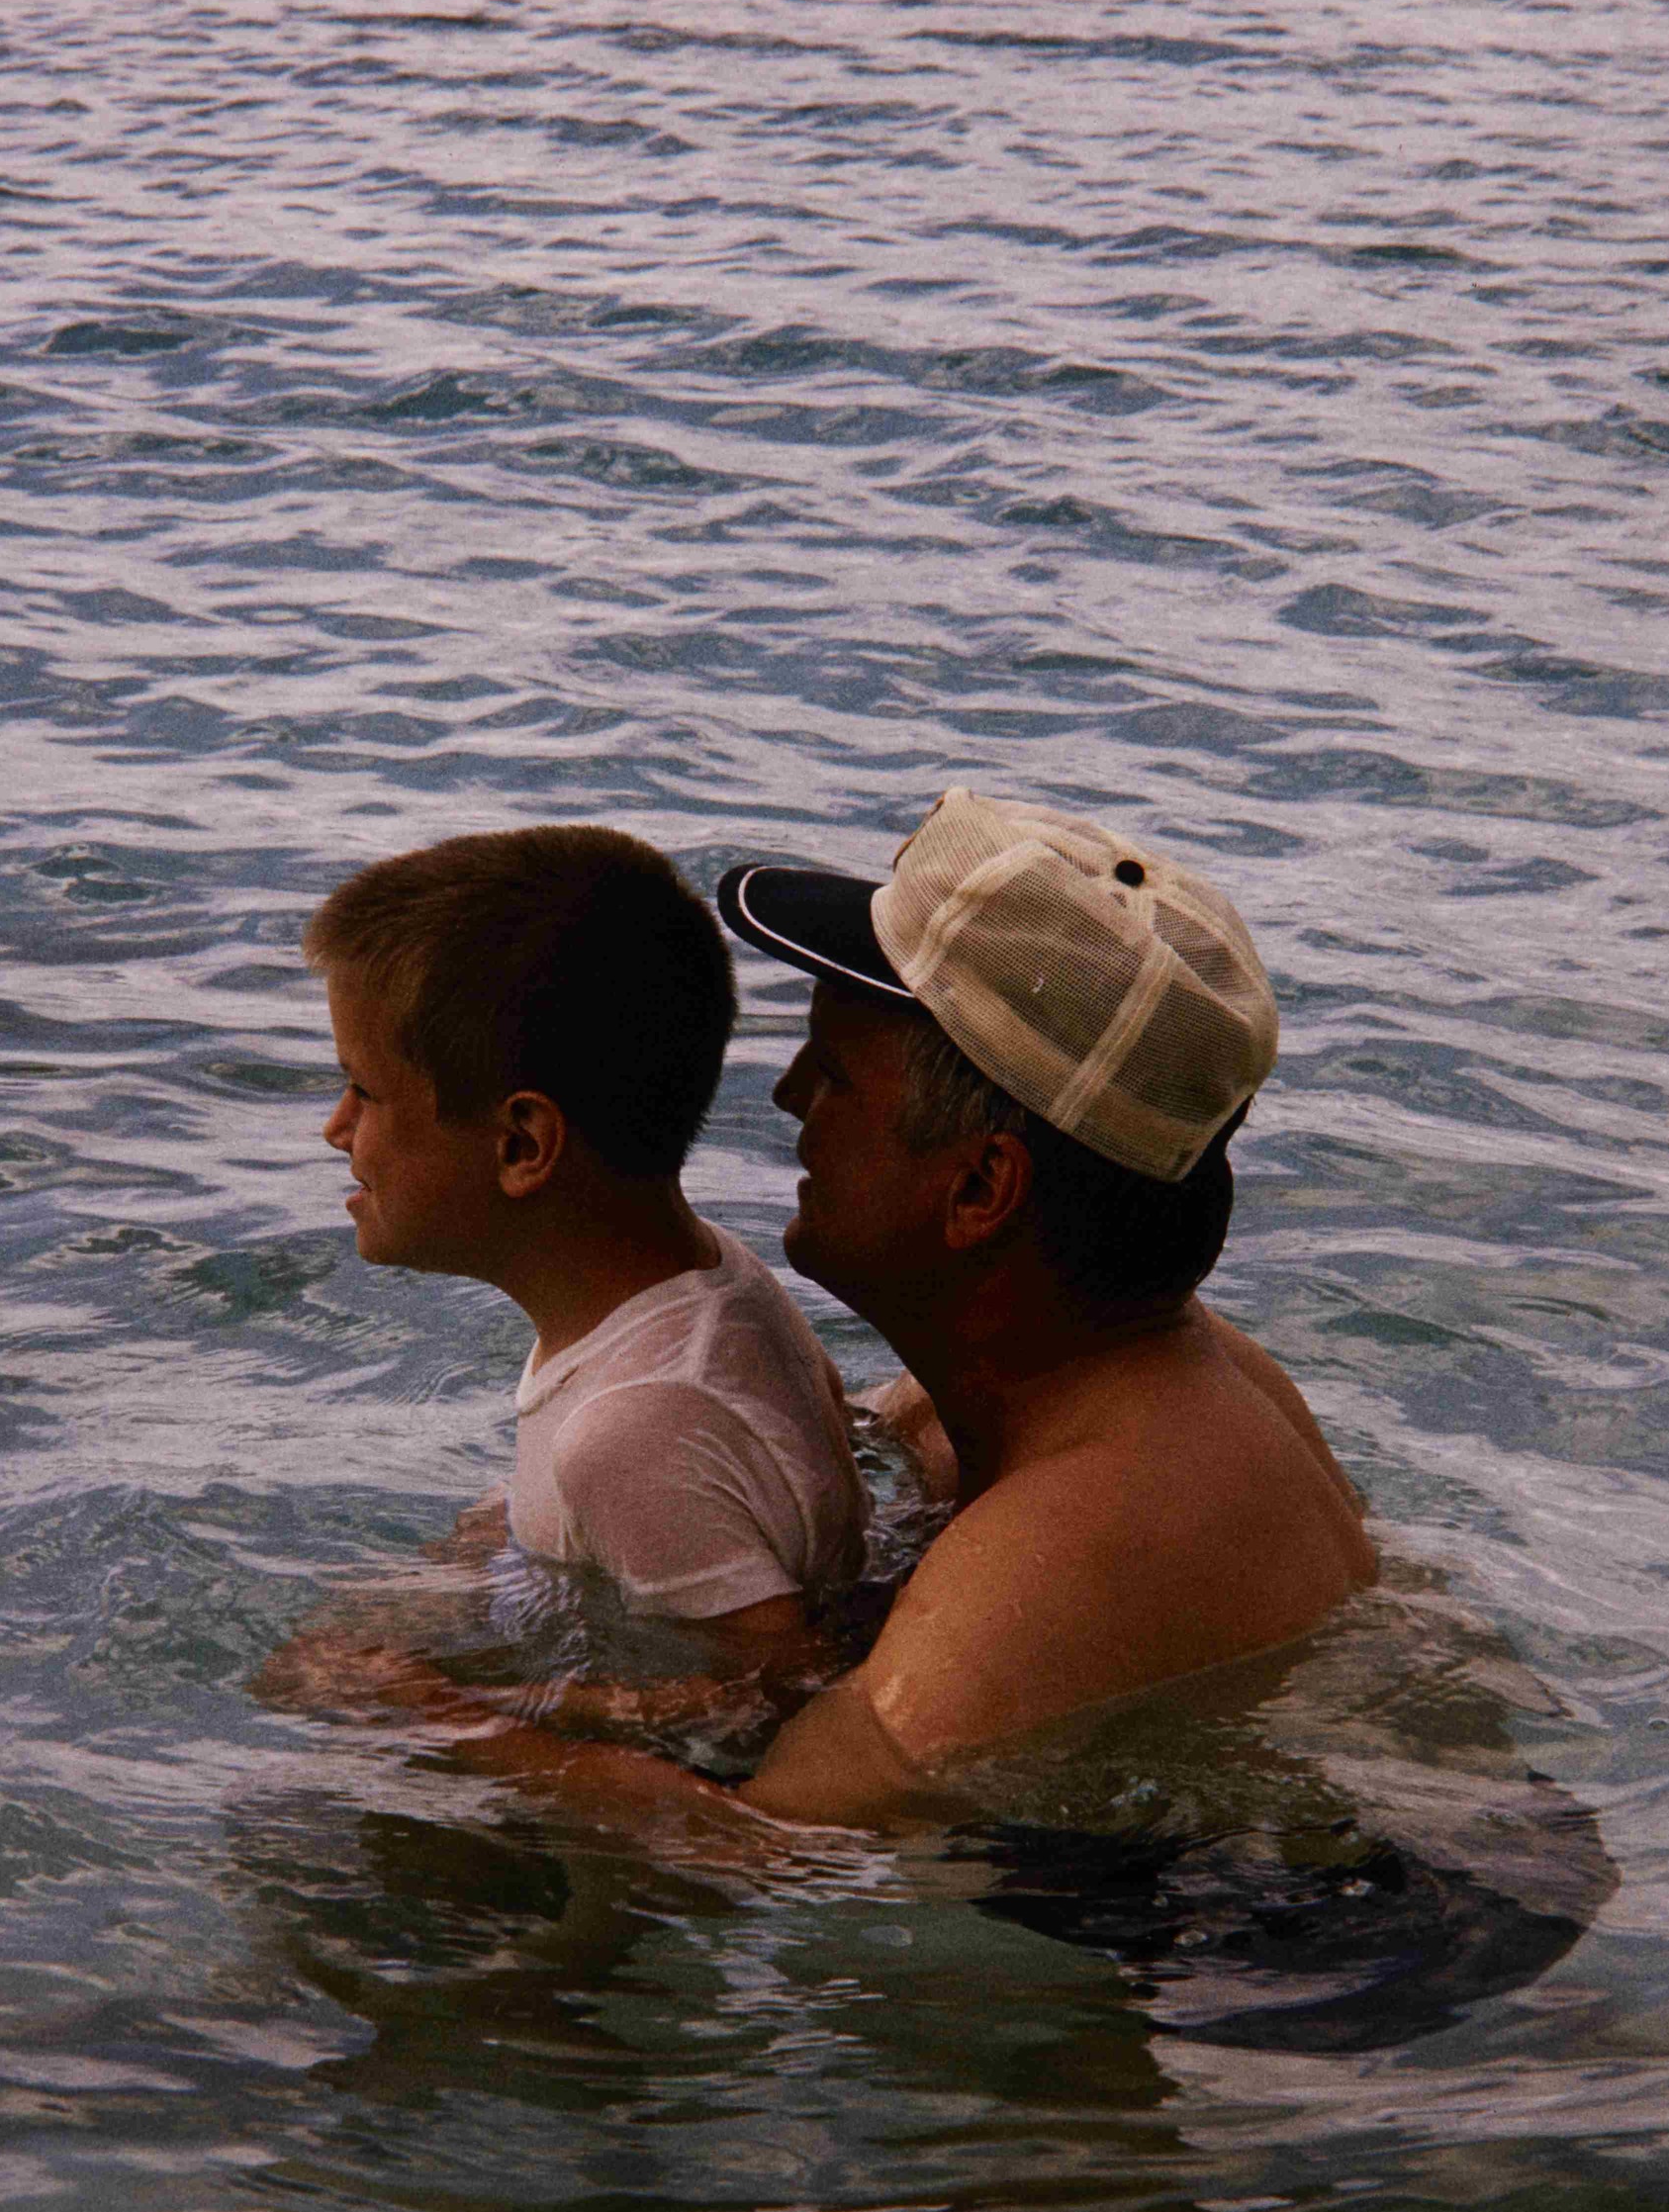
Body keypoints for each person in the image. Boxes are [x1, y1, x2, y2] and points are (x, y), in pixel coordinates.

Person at [424, 787, 1385, 1837]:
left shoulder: (1047, 1559)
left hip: (1287, 1923)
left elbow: (766, 1846)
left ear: (978, 1188)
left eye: (835, 1075)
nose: (787, 1094)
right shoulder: (1063, 1391)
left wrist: (411, 1715)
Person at [298, 824, 865, 1679]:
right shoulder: (705, 1284)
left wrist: (424, 1701)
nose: (335, 1128)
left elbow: (771, 1688)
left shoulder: (636, 1428)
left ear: (522, 1145)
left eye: (363, 1090)